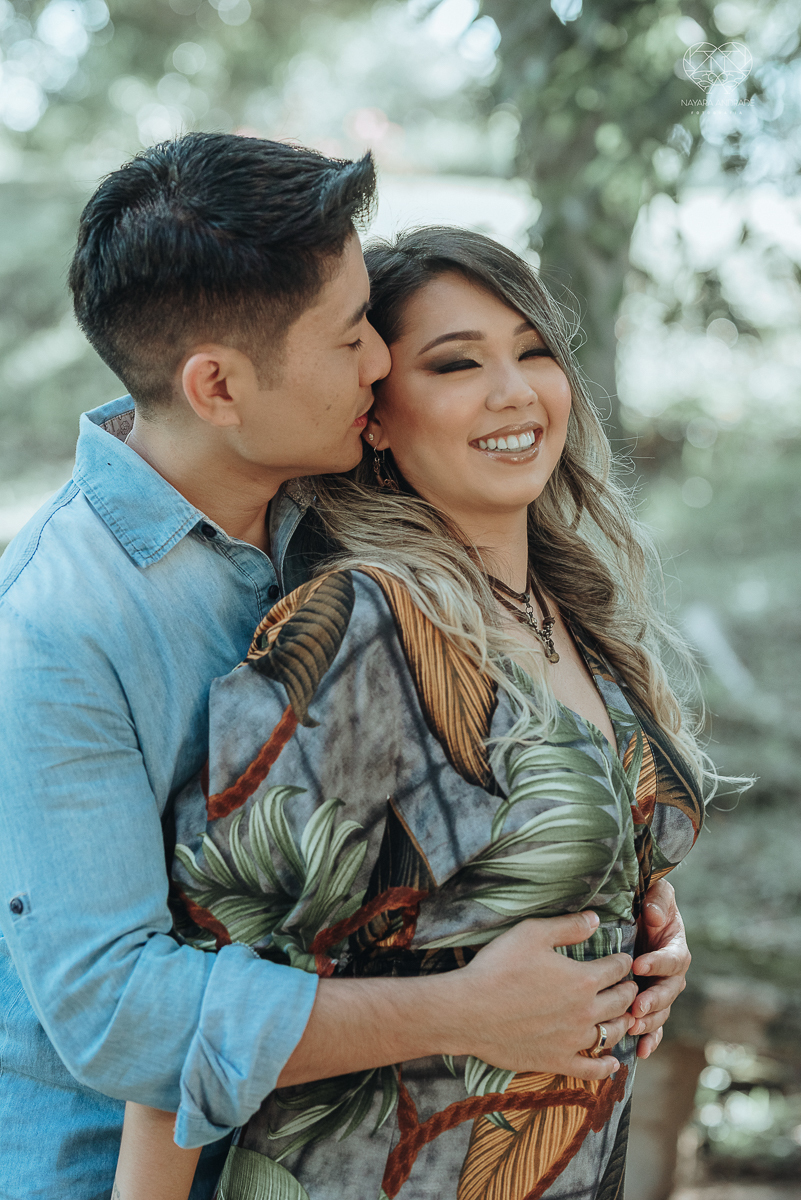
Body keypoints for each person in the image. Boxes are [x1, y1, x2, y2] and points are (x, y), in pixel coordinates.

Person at [0, 135, 689, 1200]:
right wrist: (469, 1007)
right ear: (218, 386)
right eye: (351, 336)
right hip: (113, 1174)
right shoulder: (58, 622)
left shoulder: (325, 514)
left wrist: (613, 915)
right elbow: (121, 1011)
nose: (377, 360)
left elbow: (417, 846)